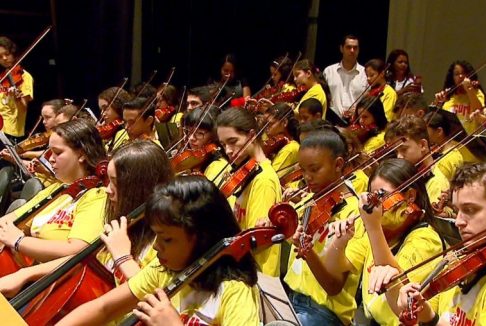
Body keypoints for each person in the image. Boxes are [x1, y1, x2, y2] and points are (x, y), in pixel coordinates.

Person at [56, 176, 260, 325]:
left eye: (167, 239)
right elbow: (103, 308)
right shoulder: (165, 270)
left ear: (202, 238)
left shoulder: (235, 292)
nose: (156, 246)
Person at [0, 140, 173, 297]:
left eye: (115, 183)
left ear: (138, 189)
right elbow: (82, 259)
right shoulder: (119, 220)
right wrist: (26, 274)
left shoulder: (161, 242)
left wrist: (123, 258)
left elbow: (157, 298)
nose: (107, 190)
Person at [301, 158, 443, 325]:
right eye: (373, 196)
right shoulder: (381, 229)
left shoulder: (426, 239)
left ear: (410, 196)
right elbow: (335, 269)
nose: (375, 204)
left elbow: (401, 302)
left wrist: (373, 226)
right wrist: (341, 241)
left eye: (381, 195)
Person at [396, 161, 486, 325]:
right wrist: (427, 317)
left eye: (470, 210)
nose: (458, 222)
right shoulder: (459, 263)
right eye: (457, 211)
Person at [0, 119, 107, 266]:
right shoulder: (58, 188)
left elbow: (78, 250)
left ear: (81, 154)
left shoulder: (97, 195)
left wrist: (20, 241)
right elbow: (9, 220)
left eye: (57, 153)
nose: (50, 159)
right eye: (50, 152)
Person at [284, 130, 361, 326]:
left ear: (338, 164)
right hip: (291, 297)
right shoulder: (311, 200)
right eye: (303, 170)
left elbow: (333, 286)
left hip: (324, 313)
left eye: (314, 169)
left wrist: (308, 252)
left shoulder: (355, 215)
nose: (307, 177)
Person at [216, 108, 282, 276]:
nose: (228, 150)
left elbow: (255, 242)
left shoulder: (263, 180)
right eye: (224, 145)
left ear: (252, 135)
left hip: (255, 274)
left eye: (233, 141)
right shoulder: (243, 173)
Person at [385, 115, 450, 204]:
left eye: (404, 149)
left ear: (422, 145)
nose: (399, 157)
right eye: (396, 152)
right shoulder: (408, 177)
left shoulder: (436, 183)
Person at [176, 107, 229, 185]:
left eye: (200, 133)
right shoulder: (192, 158)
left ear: (214, 136)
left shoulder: (218, 166)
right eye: (188, 131)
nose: (191, 138)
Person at [435, 60, 486, 135]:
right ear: (452, 78)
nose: (460, 76)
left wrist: (469, 89)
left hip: (470, 141)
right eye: (456, 74)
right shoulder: (449, 96)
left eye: (464, 73)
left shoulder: (476, 92)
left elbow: (479, 111)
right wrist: (437, 103)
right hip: (451, 141)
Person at [323, 34, 368, 118]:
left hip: (356, 121)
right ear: (341, 48)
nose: (352, 50)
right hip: (331, 121)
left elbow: (368, 100)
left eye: (355, 48)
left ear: (358, 50)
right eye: (348, 47)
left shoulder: (365, 73)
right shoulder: (329, 71)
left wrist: (358, 110)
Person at [0, 36, 34, 141]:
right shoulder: (2, 76)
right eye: (0, 56)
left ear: (13, 53)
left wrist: (17, 98)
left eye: (7, 54)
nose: (4, 58)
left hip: (11, 131)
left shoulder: (24, 77)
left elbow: (24, 107)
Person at [424, 111, 464, 181]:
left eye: (426, 131)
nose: (424, 135)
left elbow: (438, 184)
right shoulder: (450, 151)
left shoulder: (445, 160)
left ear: (439, 131)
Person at [264, 103, 300, 178]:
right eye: (265, 124)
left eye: (270, 124)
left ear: (284, 122)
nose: (265, 128)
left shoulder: (291, 148)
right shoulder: (274, 142)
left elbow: (270, 177)